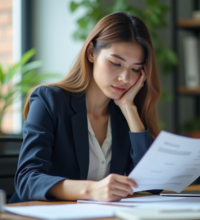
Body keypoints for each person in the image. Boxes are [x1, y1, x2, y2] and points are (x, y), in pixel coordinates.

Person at [13, 11, 161, 203]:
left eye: (135, 69)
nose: (125, 78)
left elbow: (153, 185)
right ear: (91, 53)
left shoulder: (125, 115)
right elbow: (27, 179)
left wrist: (129, 109)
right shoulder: (48, 100)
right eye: (116, 63)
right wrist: (91, 190)